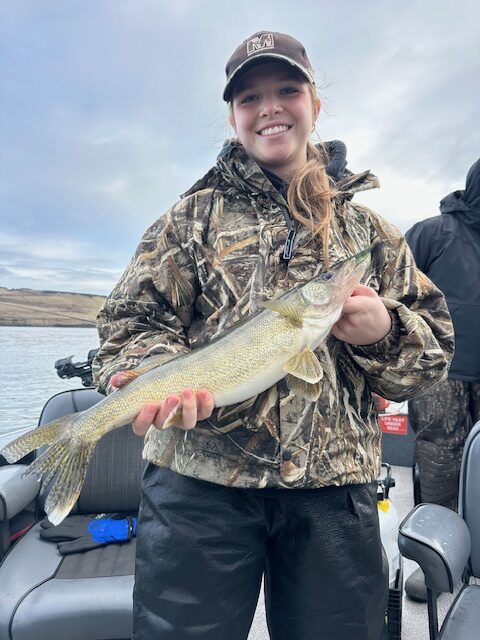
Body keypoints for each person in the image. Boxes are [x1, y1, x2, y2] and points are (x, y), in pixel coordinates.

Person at [93, 30, 453, 640]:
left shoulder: (371, 234)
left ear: (315, 103)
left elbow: (432, 358)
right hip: (197, 491)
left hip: (334, 493)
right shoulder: (188, 220)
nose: (270, 109)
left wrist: (385, 331)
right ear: (234, 116)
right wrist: (161, 373)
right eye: (249, 98)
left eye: (287, 90)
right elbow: (127, 325)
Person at [404, 158, 480, 602]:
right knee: (439, 456)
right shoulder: (433, 232)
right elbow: (394, 293)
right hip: (440, 370)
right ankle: (435, 559)